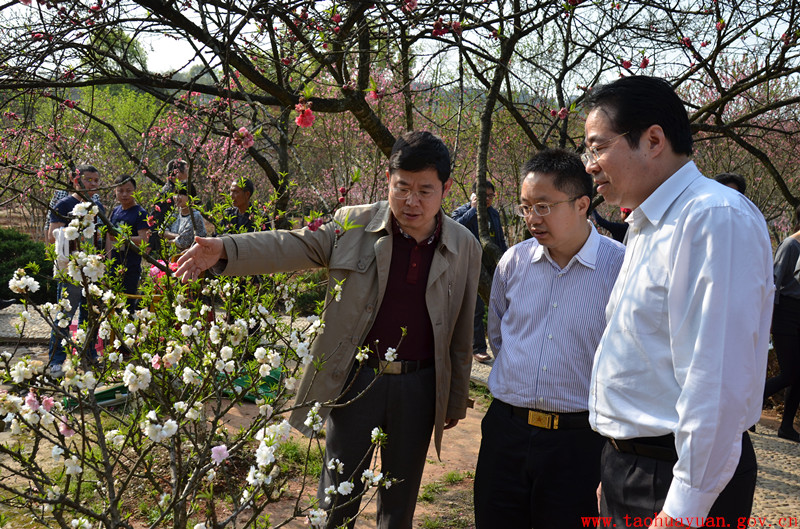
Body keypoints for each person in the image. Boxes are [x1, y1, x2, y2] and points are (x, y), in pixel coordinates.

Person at [175, 131, 481, 528]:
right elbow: (291, 245)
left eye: (425, 190)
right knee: (337, 496)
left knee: (399, 502)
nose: (411, 201)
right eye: (401, 187)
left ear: (446, 188)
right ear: (388, 179)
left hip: (419, 388)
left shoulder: (464, 245)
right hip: (355, 381)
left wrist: (454, 399)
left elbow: (461, 328)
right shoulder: (353, 225)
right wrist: (226, 249)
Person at [583, 76, 773, 529]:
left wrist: (683, 507)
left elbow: (717, 378)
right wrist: (615, 461)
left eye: (597, 147)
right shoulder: (647, 224)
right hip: (632, 469)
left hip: (672, 478)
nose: (589, 165)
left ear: (652, 140)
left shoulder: (712, 219)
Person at [473, 149, 625, 528]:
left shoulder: (619, 267)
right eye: (526, 208)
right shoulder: (514, 261)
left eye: (543, 207)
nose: (532, 219)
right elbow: (499, 335)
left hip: (578, 442)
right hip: (506, 431)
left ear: (582, 205)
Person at [47, 165, 105, 378]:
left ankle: (89, 355)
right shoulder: (64, 204)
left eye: (96, 180)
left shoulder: (98, 206)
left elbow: (104, 236)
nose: (92, 184)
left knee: (90, 314)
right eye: (88, 179)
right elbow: (53, 234)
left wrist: (104, 262)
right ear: (75, 180)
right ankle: (57, 360)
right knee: (65, 314)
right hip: (71, 268)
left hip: (94, 268)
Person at [451, 181, 508, 363]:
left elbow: (499, 239)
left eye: (491, 196)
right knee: (476, 308)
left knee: (500, 306)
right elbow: (454, 229)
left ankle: (503, 346)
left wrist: (505, 259)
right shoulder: (463, 212)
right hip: (469, 265)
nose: (488, 200)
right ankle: (478, 349)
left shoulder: (494, 214)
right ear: (474, 195)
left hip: (491, 266)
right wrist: (473, 210)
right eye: (485, 196)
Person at [763, 205, 800, 442]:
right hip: (785, 311)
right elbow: (775, 283)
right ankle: (748, 407)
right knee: (790, 373)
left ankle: (786, 425)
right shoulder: (790, 245)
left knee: (799, 374)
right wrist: (769, 318)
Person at [106, 175, 150, 312]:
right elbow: (109, 238)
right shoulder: (115, 211)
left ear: (135, 191)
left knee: (127, 307)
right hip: (114, 265)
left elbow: (143, 240)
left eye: (128, 190)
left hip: (130, 267)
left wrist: (122, 237)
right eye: (120, 190)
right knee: (112, 305)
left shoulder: (140, 213)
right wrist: (108, 261)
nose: (124, 194)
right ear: (115, 192)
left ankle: (127, 334)